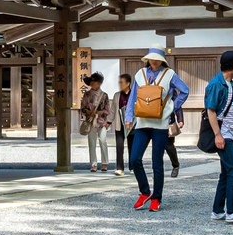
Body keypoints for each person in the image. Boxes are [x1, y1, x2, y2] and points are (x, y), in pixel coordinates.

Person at [127, 48, 188, 212]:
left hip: (160, 124)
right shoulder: (140, 74)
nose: (154, 62)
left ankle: (156, 197)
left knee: (157, 163)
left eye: (157, 59)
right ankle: (145, 191)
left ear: (162, 60)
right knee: (134, 159)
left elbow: (185, 90)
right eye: (151, 59)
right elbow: (133, 96)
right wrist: (128, 117)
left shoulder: (169, 74)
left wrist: (171, 107)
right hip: (142, 122)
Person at [205, 50, 233, 223]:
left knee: (226, 172)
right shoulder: (216, 84)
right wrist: (218, 135)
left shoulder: (231, 84)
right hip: (224, 134)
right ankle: (232, 211)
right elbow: (211, 110)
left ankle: (218, 210)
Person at [79, 72, 113, 172]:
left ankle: (104, 162)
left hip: (101, 121)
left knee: (103, 141)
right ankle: (93, 164)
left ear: (99, 83)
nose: (92, 83)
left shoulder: (104, 95)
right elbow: (83, 108)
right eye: (91, 82)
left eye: (94, 81)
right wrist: (88, 112)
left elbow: (108, 110)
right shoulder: (86, 94)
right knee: (92, 142)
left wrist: (100, 112)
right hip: (90, 121)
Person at [113, 72, 132, 175]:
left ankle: (132, 167)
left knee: (132, 146)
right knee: (119, 146)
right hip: (119, 124)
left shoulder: (134, 94)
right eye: (119, 82)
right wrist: (108, 121)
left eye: (122, 82)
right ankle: (120, 168)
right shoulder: (117, 95)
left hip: (131, 124)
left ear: (128, 83)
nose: (120, 84)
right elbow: (113, 110)